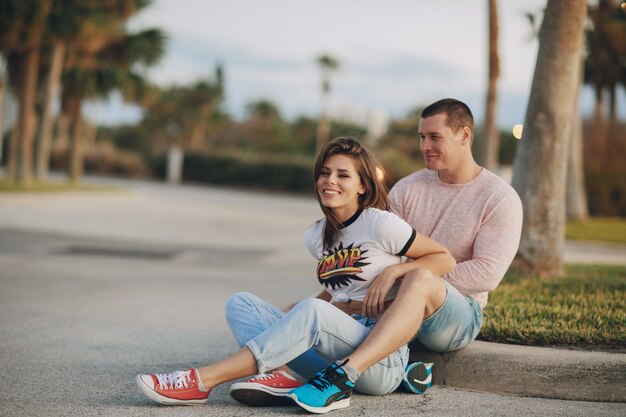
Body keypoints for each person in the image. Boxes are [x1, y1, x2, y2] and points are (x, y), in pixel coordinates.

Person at [237, 98, 523, 411]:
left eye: (434, 137)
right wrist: (327, 300)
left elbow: (485, 274)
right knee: (291, 312)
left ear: (465, 136)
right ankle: (293, 374)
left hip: (456, 314)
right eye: (421, 137)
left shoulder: (499, 198)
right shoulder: (408, 189)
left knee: (419, 279)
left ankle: (343, 375)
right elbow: (371, 256)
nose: (424, 145)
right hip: (392, 309)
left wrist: (400, 278)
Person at [135, 137, 456, 413]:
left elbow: (443, 258)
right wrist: (292, 315)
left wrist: (397, 271)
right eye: (325, 173)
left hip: (377, 357)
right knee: (241, 304)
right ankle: (290, 373)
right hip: (335, 341)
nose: (331, 181)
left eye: (343, 175)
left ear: (362, 186)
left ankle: (202, 380)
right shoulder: (316, 236)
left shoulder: (380, 223)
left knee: (312, 311)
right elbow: (335, 293)